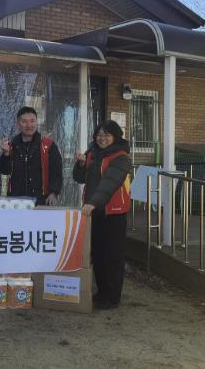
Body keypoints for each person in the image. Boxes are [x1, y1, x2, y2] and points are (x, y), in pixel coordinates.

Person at [73, 120, 131, 310]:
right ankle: (102, 292)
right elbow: (79, 178)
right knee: (97, 254)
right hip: (94, 211)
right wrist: (81, 164)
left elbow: (109, 183)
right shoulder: (92, 152)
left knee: (113, 256)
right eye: (99, 134)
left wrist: (94, 202)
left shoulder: (121, 157)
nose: (102, 138)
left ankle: (112, 297)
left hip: (114, 213)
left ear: (115, 136)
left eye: (106, 135)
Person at [0, 106, 62, 205]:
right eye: (24, 121)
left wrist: (53, 192)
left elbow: (56, 173)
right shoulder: (11, 146)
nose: (29, 125)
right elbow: (4, 171)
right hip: (15, 202)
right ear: (18, 124)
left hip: (41, 201)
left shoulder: (48, 145)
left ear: (36, 122)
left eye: (32, 121)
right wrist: (6, 154)